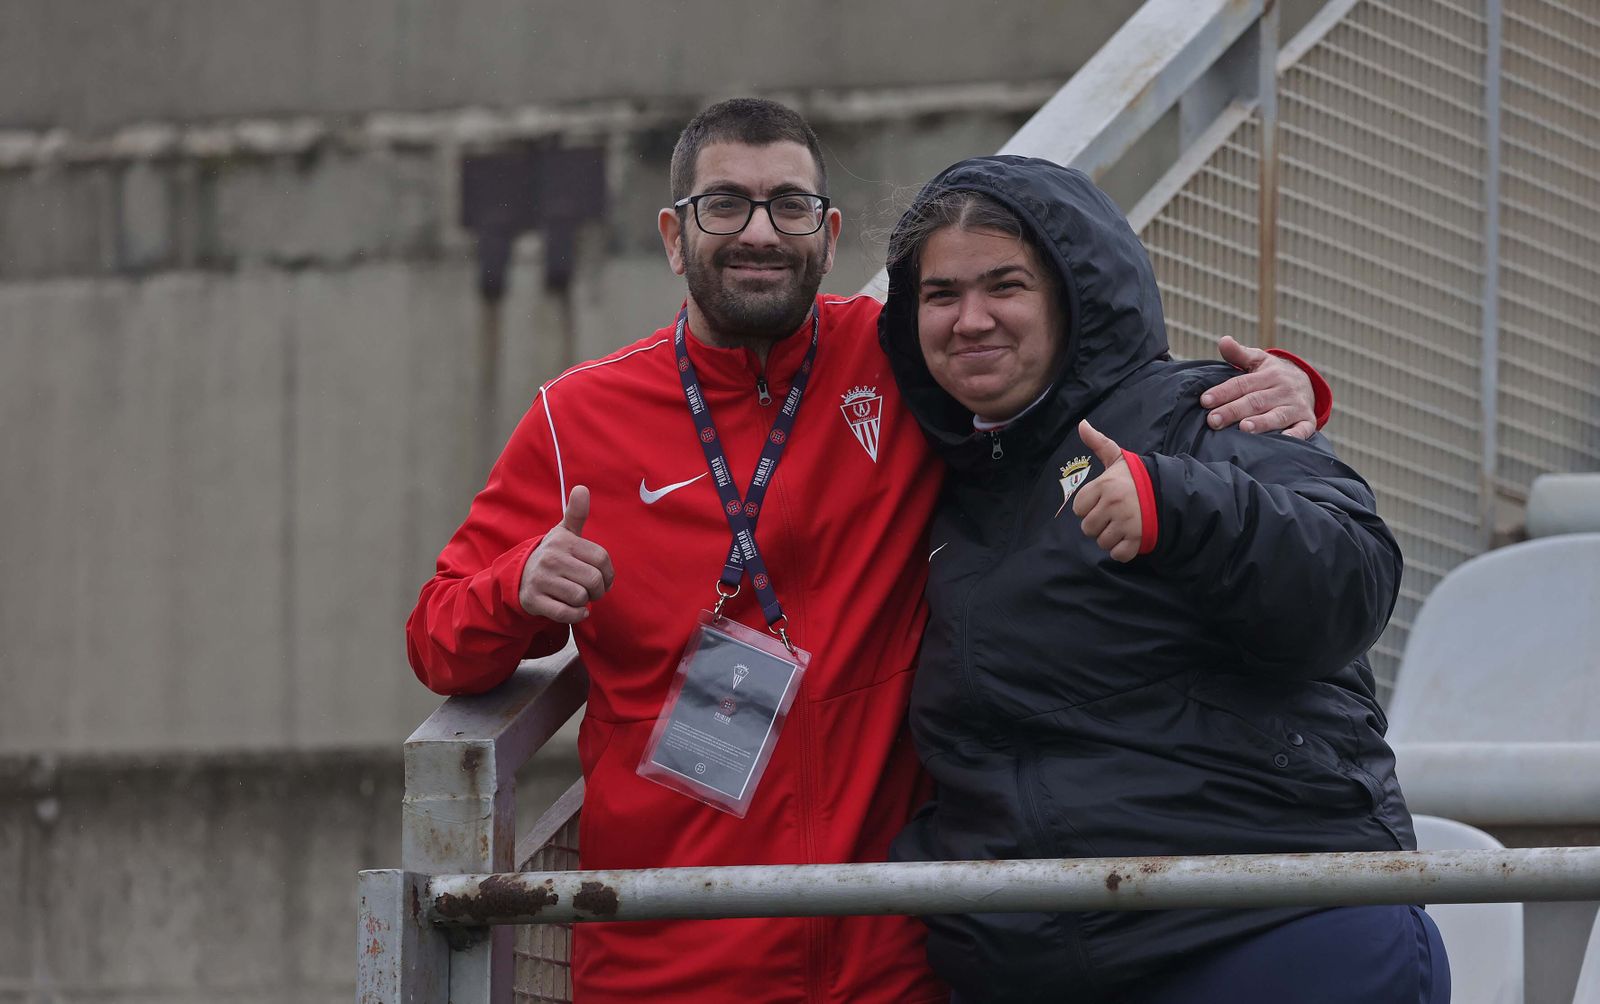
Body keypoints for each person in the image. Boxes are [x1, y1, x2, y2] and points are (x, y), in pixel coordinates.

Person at [405, 99, 1326, 1003]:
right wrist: (515, 588)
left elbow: (1087, 383)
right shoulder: (579, 416)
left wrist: (1284, 394)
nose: (759, 232)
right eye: (724, 204)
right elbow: (439, 639)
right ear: (674, 235)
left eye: (789, 205)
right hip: (673, 956)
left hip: (894, 949)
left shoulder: (906, 361)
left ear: (830, 230)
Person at [877, 154, 1448, 1003]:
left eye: (1006, 285)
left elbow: (1352, 582)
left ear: (1073, 296)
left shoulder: (1204, 411)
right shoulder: (932, 473)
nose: (970, 320)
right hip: (1040, 961)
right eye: (940, 295)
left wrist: (1183, 507)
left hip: (1264, 924)